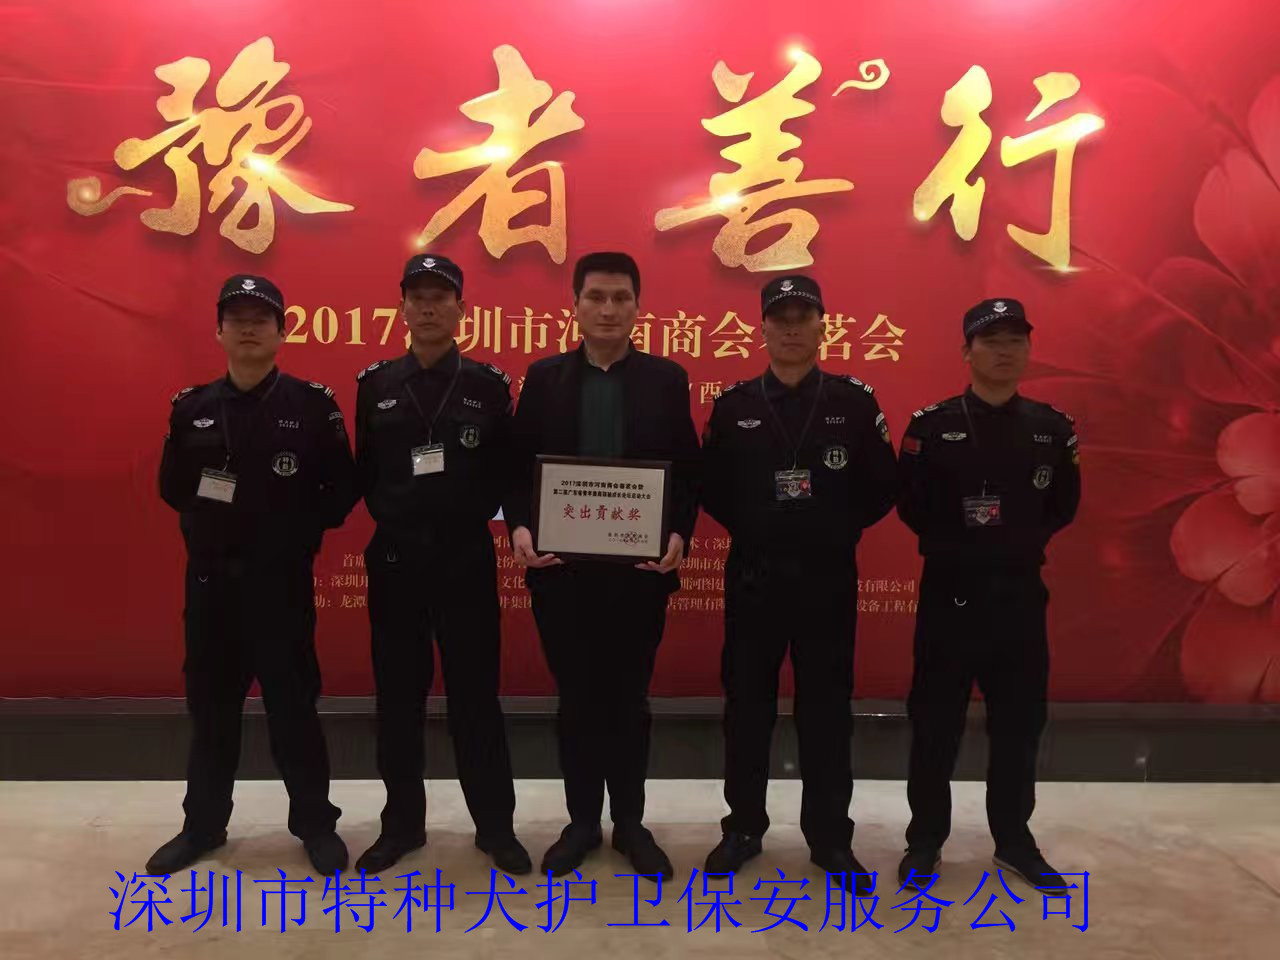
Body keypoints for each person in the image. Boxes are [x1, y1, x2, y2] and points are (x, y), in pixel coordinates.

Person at [150, 274, 356, 877]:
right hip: (211, 588)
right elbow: (172, 488)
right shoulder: (191, 409)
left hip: (280, 585)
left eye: (260, 319)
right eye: (236, 319)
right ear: (218, 331)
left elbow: (341, 491)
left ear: (281, 332)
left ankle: (315, 824)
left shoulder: (312, 406)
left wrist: (291, 532)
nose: (247, 329)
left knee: (294, 708)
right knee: (212, 710)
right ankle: (203, 825)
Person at [699, 274, 896, 894]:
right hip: (754, 575)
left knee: (827, 709)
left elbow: (881, 487)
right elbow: (713, 489)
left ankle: (830, 837)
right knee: (747, 707)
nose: (790, 329)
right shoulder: (735, 406)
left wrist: (831, 527)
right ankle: (743, 828)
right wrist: (760, 526)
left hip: (826, 576)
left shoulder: (853, 402)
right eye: (779, 319)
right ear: (761, 328)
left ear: (821, 326)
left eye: (802, 317)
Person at [505, 251, 699, 880]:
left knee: (629, 699)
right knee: (578, 699)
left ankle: (631, 825)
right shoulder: (544, 378)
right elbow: (518, 468)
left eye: (620, 298)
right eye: (596, 297)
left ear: (638, 307)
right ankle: (583, 822)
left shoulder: (666, 379)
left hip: (639, 573)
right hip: (562, 571)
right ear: (576, 305)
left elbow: (686, 471)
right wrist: (520, 527)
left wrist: (679, 532)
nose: (608, 309)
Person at [352, 254, 528, 876]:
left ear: (461, 309)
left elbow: (507, 473)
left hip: (463, 555)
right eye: (417, 297)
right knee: (398, 698)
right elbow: (366, 470)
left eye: (440, 297)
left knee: (476, 697)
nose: (428, 307)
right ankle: (401, 826)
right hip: (396, 556)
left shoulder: (489, 386)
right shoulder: (375, 384)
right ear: (402, 307)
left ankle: (496, 827)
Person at [896, 298, 1080, 893]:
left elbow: (1063, 506)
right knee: (935, 723)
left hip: (1019, 595)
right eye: (991, 341)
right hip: (950, 594)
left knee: (1019, 724)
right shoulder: (931, 426)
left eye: (1015, 340)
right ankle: (926, 840)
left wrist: (1011, 543)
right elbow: (911, 505)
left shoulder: (1052, 428)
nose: (1005, 351)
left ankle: (1014, 839)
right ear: (966, 351)